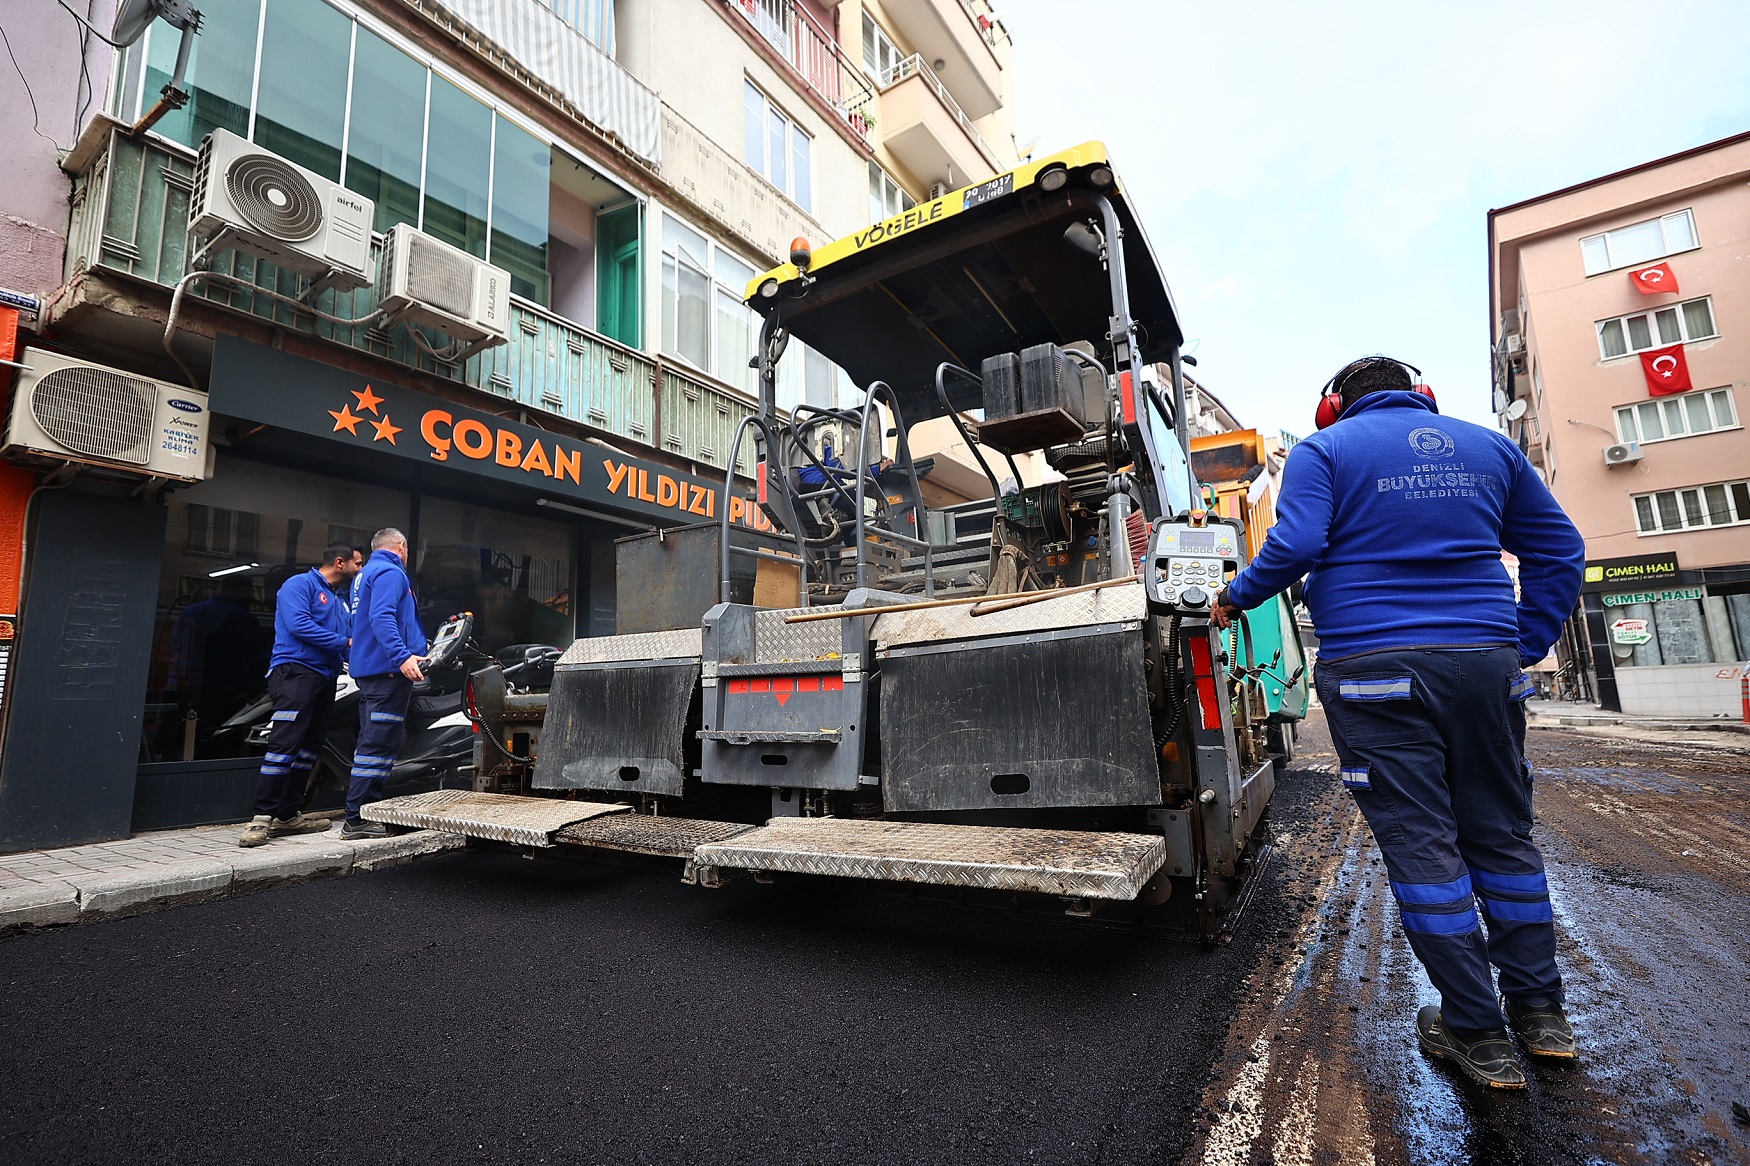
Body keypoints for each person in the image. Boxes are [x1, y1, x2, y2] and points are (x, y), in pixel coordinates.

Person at [1213, 355, 1585, 1090]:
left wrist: (1234, 594)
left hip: (1373, 672)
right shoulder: (1489, 447)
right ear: (1421, 397)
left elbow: (1295, 546)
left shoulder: (1323, 451)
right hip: (1484, 664)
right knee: (1502, 836)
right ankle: (1542, 1017)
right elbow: (1560, 548)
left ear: (1332, 407)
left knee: (1423, 846)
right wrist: (1523, 641)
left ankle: (1478, 1034)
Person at [239, 542, 363, 847]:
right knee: (284, 744)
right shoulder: (299, 585)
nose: (360, 570)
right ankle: (260, 819)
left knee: (309, 747)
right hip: (295, 673)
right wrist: (344, 642)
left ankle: (288, 815)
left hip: (325, 677)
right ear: (339, 562)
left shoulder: (340, 599)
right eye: (357, 564)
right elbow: (299, 626)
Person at [340, 528, 428, 840]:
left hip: (374, 670)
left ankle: (363, 811)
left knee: (374, 742)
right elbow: (382, 617)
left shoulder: (365, 575)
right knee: (378, 744)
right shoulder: (391, 573)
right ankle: (359, 816)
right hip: (388, 672)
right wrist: (403, 657)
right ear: (401, 546)